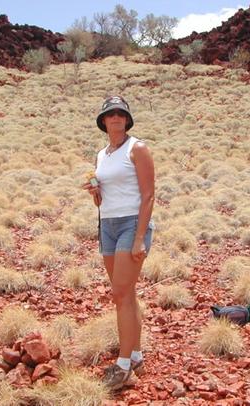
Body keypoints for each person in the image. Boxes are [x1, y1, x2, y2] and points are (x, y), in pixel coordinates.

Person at [83, 96, 155, 391]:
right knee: (126, 293)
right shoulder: (102, 154)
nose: (115, 118)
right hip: (108, 225)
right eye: (110, 114)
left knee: (121, 294)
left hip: (131, 225)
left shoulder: (137, 148)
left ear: (126, 119)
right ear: (103, 121)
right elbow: (105, 195)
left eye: (120, 114)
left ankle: (123, 366)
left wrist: (139, 237)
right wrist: (94, 192)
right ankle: (135, 354)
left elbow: (148, 195)